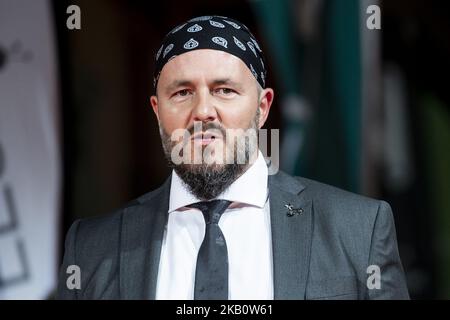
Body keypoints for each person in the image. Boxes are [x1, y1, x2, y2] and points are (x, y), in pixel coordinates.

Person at [57, 15, 409, 300]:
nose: (203, 111)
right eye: (182, 93)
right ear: (157, 110)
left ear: (262, 107)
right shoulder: (90, 249)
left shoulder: (358, 230)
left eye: (224, 90)